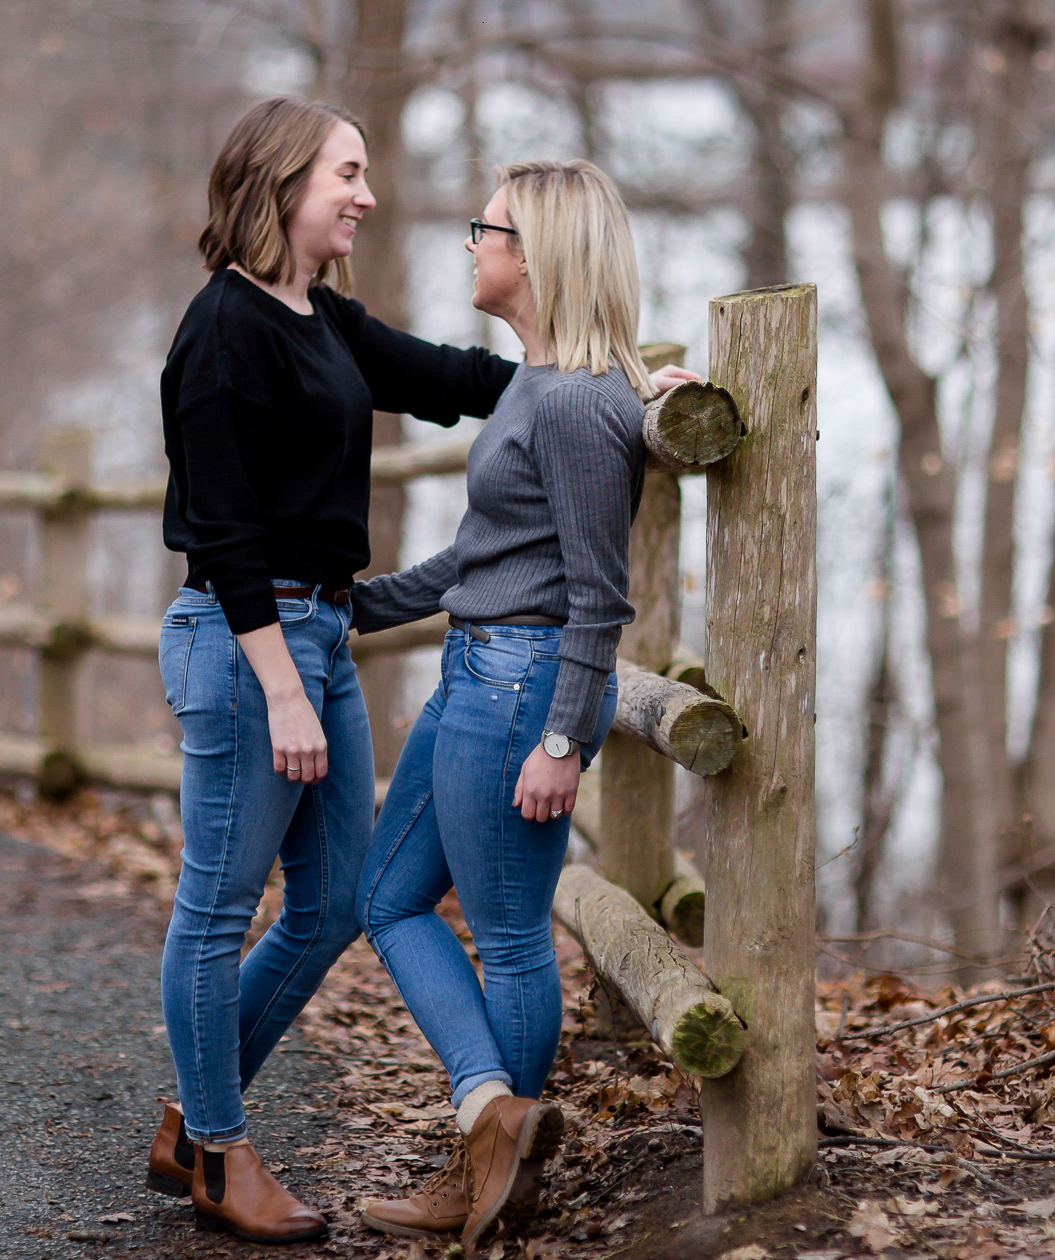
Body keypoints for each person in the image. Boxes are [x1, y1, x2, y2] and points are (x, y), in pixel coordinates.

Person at [147, 95, 525, 1246]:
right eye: (346, 174)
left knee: (334, 901)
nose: (366, 194)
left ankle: (194, 1124)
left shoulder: (318, 314)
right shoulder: (220, 334)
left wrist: (595, 385)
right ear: (281, 184)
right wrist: (277, 686)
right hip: (242, 641)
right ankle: (220, 1150)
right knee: (216, 911)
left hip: (319, 635)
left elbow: (456, 378)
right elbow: (223, 532)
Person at [349, 159, 683, 1252]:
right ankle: (493, 1121)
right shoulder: (539, 383)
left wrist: (559, 740)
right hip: (473, 673)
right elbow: (487, 555)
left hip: (520, 691)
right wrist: (360, 603)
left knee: (506, 934)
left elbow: (599, 600)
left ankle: (491, 1166)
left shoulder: (580, 405)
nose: (468, 245)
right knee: (389, 897)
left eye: (481, 228)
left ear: (533, 253)